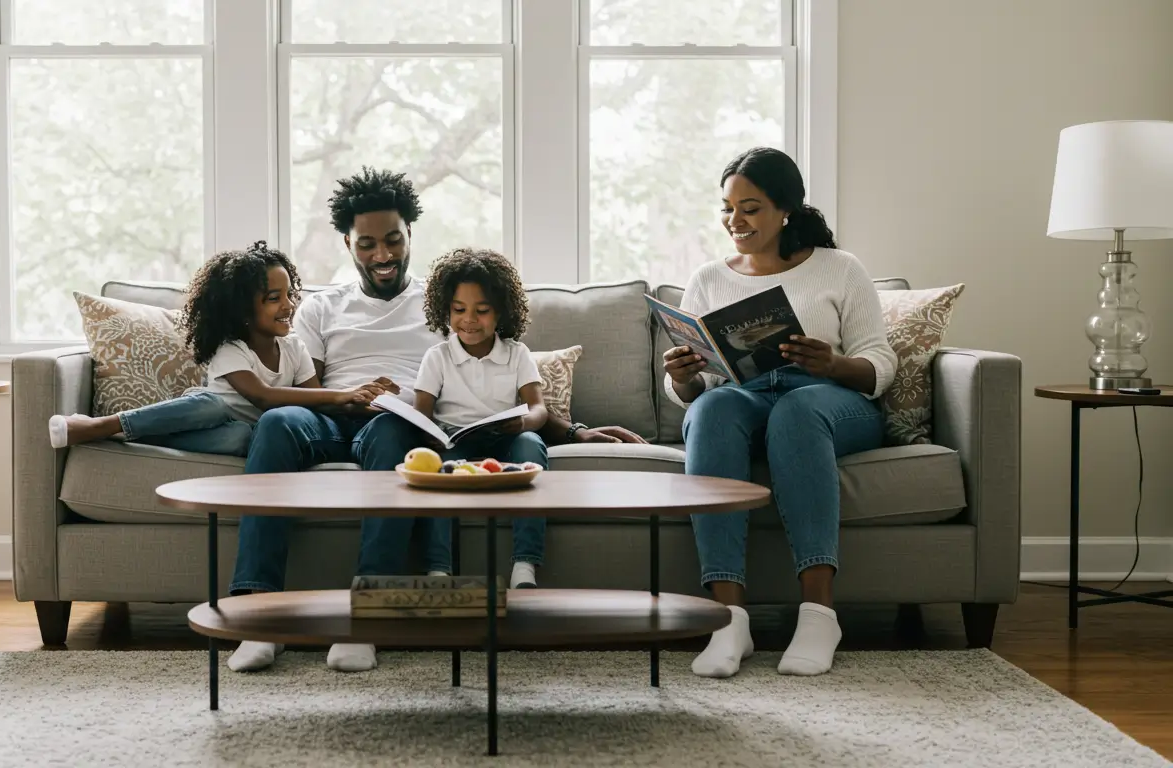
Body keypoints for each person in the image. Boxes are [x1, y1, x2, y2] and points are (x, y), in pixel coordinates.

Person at [228, 166, 647, 675]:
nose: (381, 254)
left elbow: (501, 383)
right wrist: (349, 397)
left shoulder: (442, 303)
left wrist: (575, 431)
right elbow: (308, 389)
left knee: (392, 432)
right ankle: (255, 613)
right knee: (276, 424)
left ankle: (369, 618)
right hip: (334, 417)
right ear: (347, 243)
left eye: (392, 240)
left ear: (409, 234)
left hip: (403, 425)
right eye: (366, 244)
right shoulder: (322, 307)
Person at [662, 147, 897, 678]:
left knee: (796, 408)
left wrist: (835, 364)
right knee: (712, 410)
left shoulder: (839, 268)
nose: (734, 221)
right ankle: (729, 619)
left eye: (750, 208)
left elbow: (882, 363)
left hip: (829, 399)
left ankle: (818, 615)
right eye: (726, 208)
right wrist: (683, 377)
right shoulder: (708, 278)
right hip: (746, 394)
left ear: (785, 208)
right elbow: (696, 388)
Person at [47, 242, 385, 453]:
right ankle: (102, 425)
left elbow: (318, 402)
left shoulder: (294, 348)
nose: (289, 305)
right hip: (202, 414)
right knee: (210, 404)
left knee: (243, 438)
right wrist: (340, 393)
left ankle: (130, 436)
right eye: (273, 298)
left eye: (290, 295)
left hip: (239, 431)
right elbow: (263, 397)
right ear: (241, 309)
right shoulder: (231, 347)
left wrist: (365, 405)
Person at [414, 247, 550, 590]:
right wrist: (430, 435)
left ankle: (525, 566)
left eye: (482, 311)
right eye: (459, 310)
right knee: (434, 471)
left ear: (501, 312)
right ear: (444, 309)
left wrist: (521, 424)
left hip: (505, 438)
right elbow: (421, 414)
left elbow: (538, 409)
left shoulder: (517, 353)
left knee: (531, 446)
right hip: (452, 440)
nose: (469, 320)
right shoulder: (438, 357)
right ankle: (438, 570)